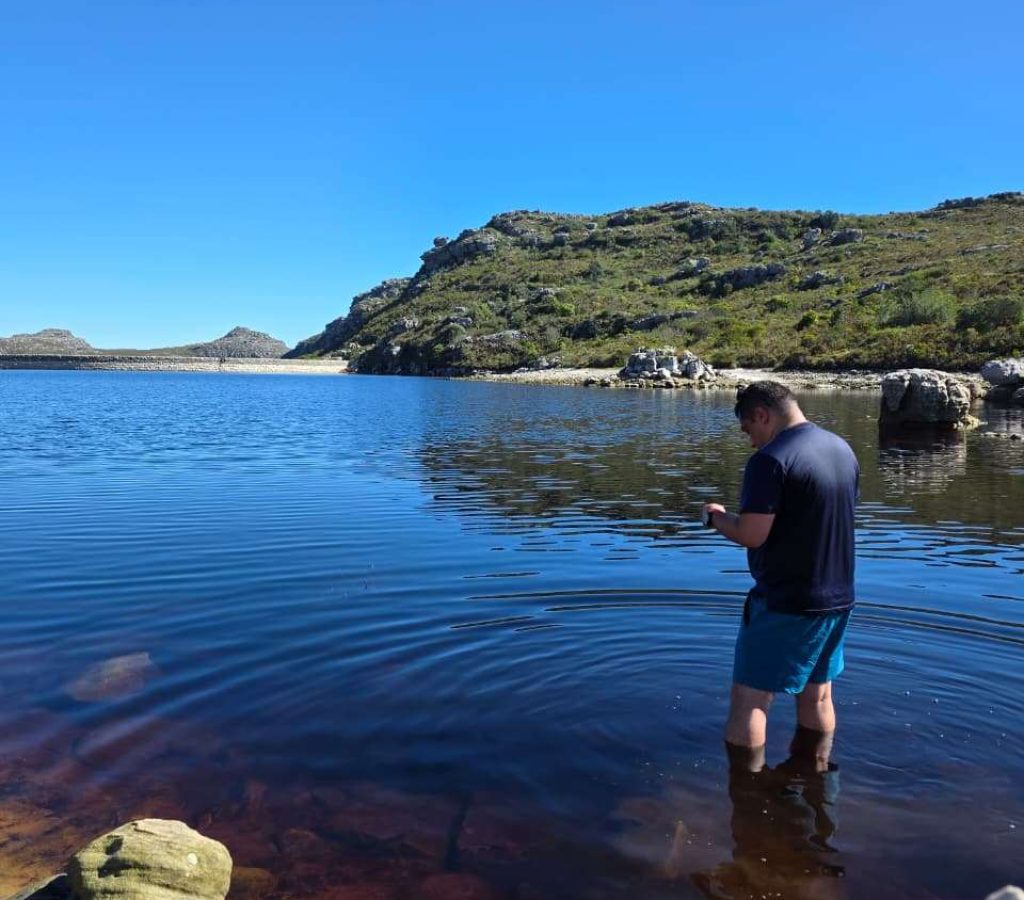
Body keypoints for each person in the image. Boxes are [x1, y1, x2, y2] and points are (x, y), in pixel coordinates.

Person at [702, 381, 859, 753]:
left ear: (762, 415)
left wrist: (715, 517)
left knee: (751, 701)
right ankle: (818, 777)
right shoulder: (841, 449)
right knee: (818, 696)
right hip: (837, 599)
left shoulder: (771, 461)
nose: (751, 442)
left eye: (748, 430)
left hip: (785, 602)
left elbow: (752, 534)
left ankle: (747, 785)